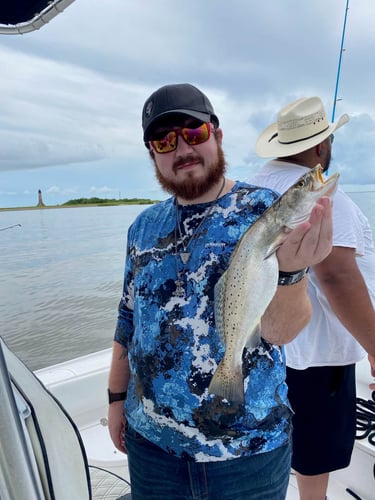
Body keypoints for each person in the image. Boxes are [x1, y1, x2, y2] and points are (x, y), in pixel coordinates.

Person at [107, 84, 333, 500]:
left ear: (217, 135)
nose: (182, 149)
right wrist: (115, 398)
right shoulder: (141, 228)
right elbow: (127, 321)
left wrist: (293, 271)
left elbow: (282, 332)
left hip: (248, 453)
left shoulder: (263, 211)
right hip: (151, 448)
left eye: (194, 133)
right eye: (165, 141)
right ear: (153, 154)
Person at [250, 96, 375, 500]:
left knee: (286, 444)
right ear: (322, 145)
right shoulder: (319, 193)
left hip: (267, 349)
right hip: (317, 357)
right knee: (314, 460)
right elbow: (337, 275)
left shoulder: (253, 185)